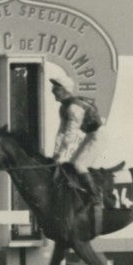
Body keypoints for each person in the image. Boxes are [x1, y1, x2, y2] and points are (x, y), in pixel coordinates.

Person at [50, 78, 105, 212]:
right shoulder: (64, 107)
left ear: (64, 90)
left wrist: (61, 153)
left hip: (99, 136)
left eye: (56, 89)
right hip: (91, 135)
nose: (53, 92)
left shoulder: (74, 108)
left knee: (79, 165)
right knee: (72, 164)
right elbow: (61, 132)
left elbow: (70, 133)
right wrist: (56, 153)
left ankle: (96, 197)